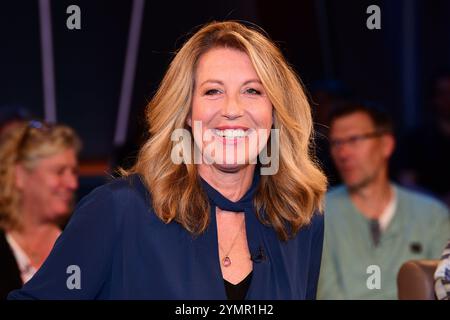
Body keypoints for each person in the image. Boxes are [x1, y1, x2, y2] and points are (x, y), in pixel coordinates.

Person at [8, 21, 327, 300]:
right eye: (213, 91)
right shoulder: (119, 209)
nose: (232, 109)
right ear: (187, 112)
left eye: (253, 91)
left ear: (274, 112)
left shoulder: (299, 218)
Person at [317, 102, 450, 299]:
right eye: (336, 143)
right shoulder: (319, 213)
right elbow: (324, 292)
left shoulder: (432, 215)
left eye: (354, 140)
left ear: (386, 145)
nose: (343, 153)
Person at [0, 120, 81, 299]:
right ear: (20, 176)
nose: (72, 184)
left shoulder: (83, 242)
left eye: (74, 172)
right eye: (59, 172)